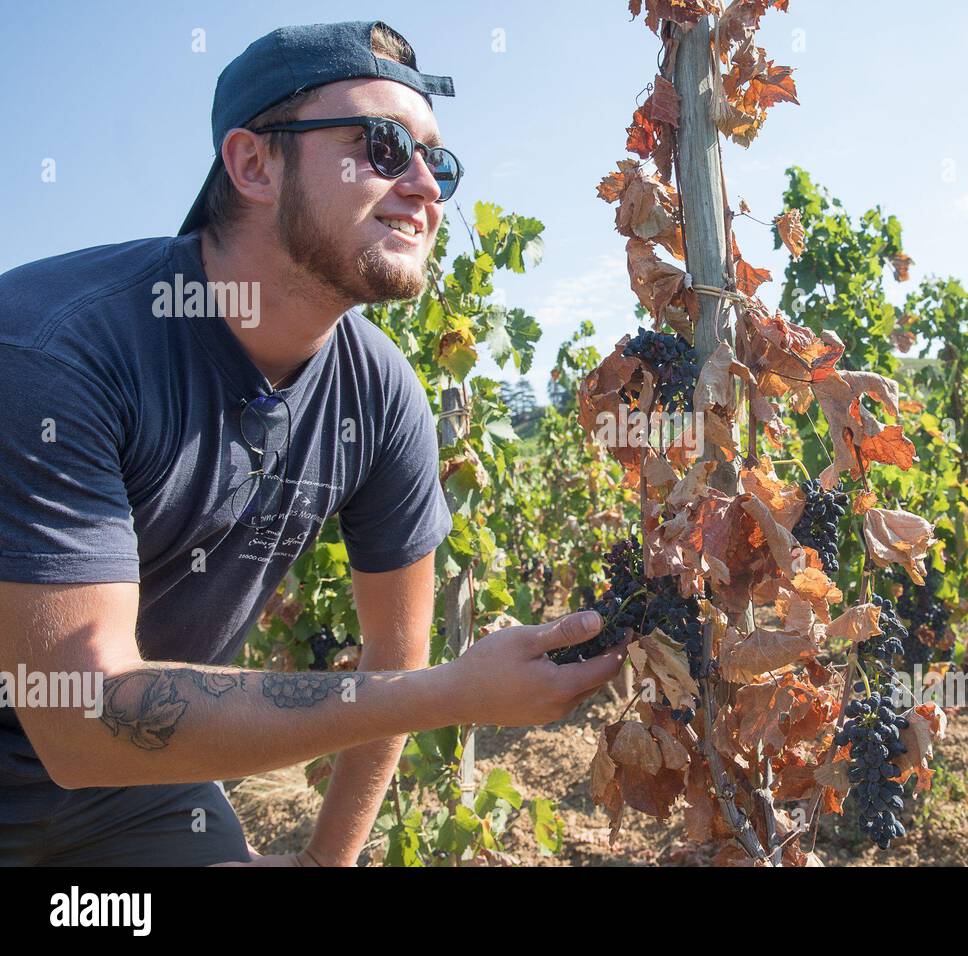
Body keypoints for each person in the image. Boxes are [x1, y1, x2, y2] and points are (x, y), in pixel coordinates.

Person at [0, 20, 624, 867]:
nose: (425, 188)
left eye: (436, 162)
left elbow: (395, 651)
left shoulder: (380, 393)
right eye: (382, 144)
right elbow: (83, 715)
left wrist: (324, 863)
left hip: (140, 796)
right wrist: (447, 694)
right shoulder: (55, 353)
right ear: (254, 164)